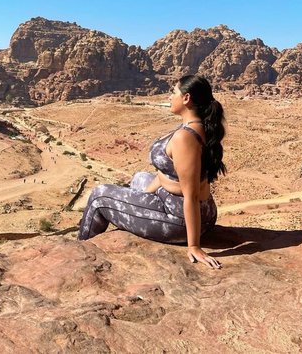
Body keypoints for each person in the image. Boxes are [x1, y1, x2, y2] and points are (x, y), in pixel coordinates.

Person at [78, 75, 226, 269]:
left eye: (173, 92)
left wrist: (194, 246)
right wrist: (141, 197)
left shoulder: (185, 138)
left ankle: (79, 252)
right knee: (139, 178)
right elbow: (170, 175)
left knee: (99, 196)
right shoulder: (197, 126)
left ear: (186, 98)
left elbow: (191, 194)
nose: (169, 97)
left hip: (179, 219)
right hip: (195, 209)